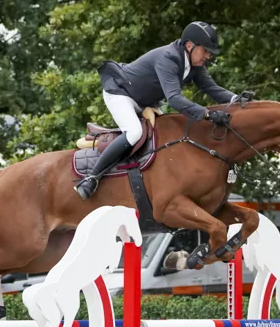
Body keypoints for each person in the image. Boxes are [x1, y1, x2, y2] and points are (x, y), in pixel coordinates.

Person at [74, 21, 249, 200]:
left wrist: (236, 99)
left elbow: (211, 88)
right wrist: (207, 114)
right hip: (120, 93)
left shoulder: (195, 65)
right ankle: (91, 178)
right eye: (205, 50)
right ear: (189, 46)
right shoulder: (169, 57)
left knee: (167, 133)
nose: (208, 55)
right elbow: (174, 98)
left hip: (144, 102)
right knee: (134, 132)